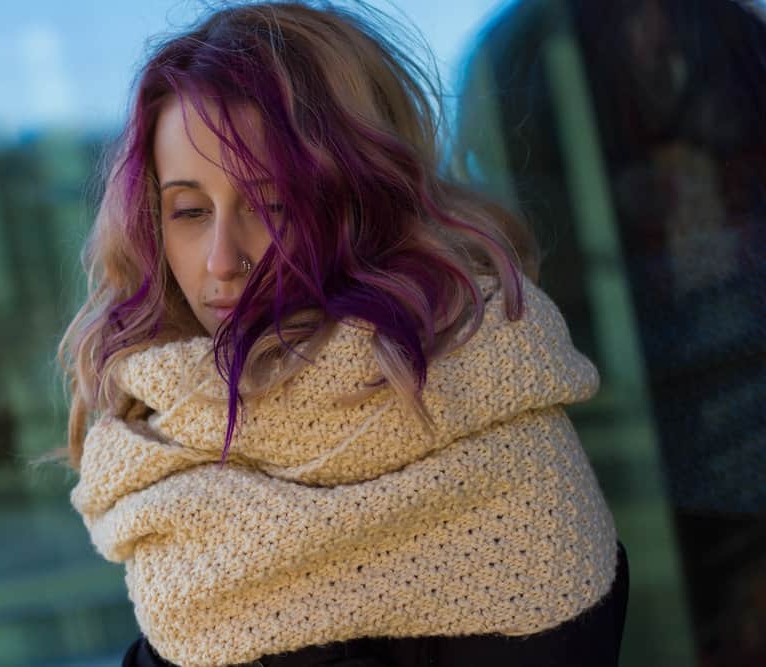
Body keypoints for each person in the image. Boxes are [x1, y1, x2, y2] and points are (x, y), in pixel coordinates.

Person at [59, 2, 628, 665]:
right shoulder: (158, 455)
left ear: (365, 200)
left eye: (271, 204)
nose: (220, 260)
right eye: (188, 209)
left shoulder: (507, 456)